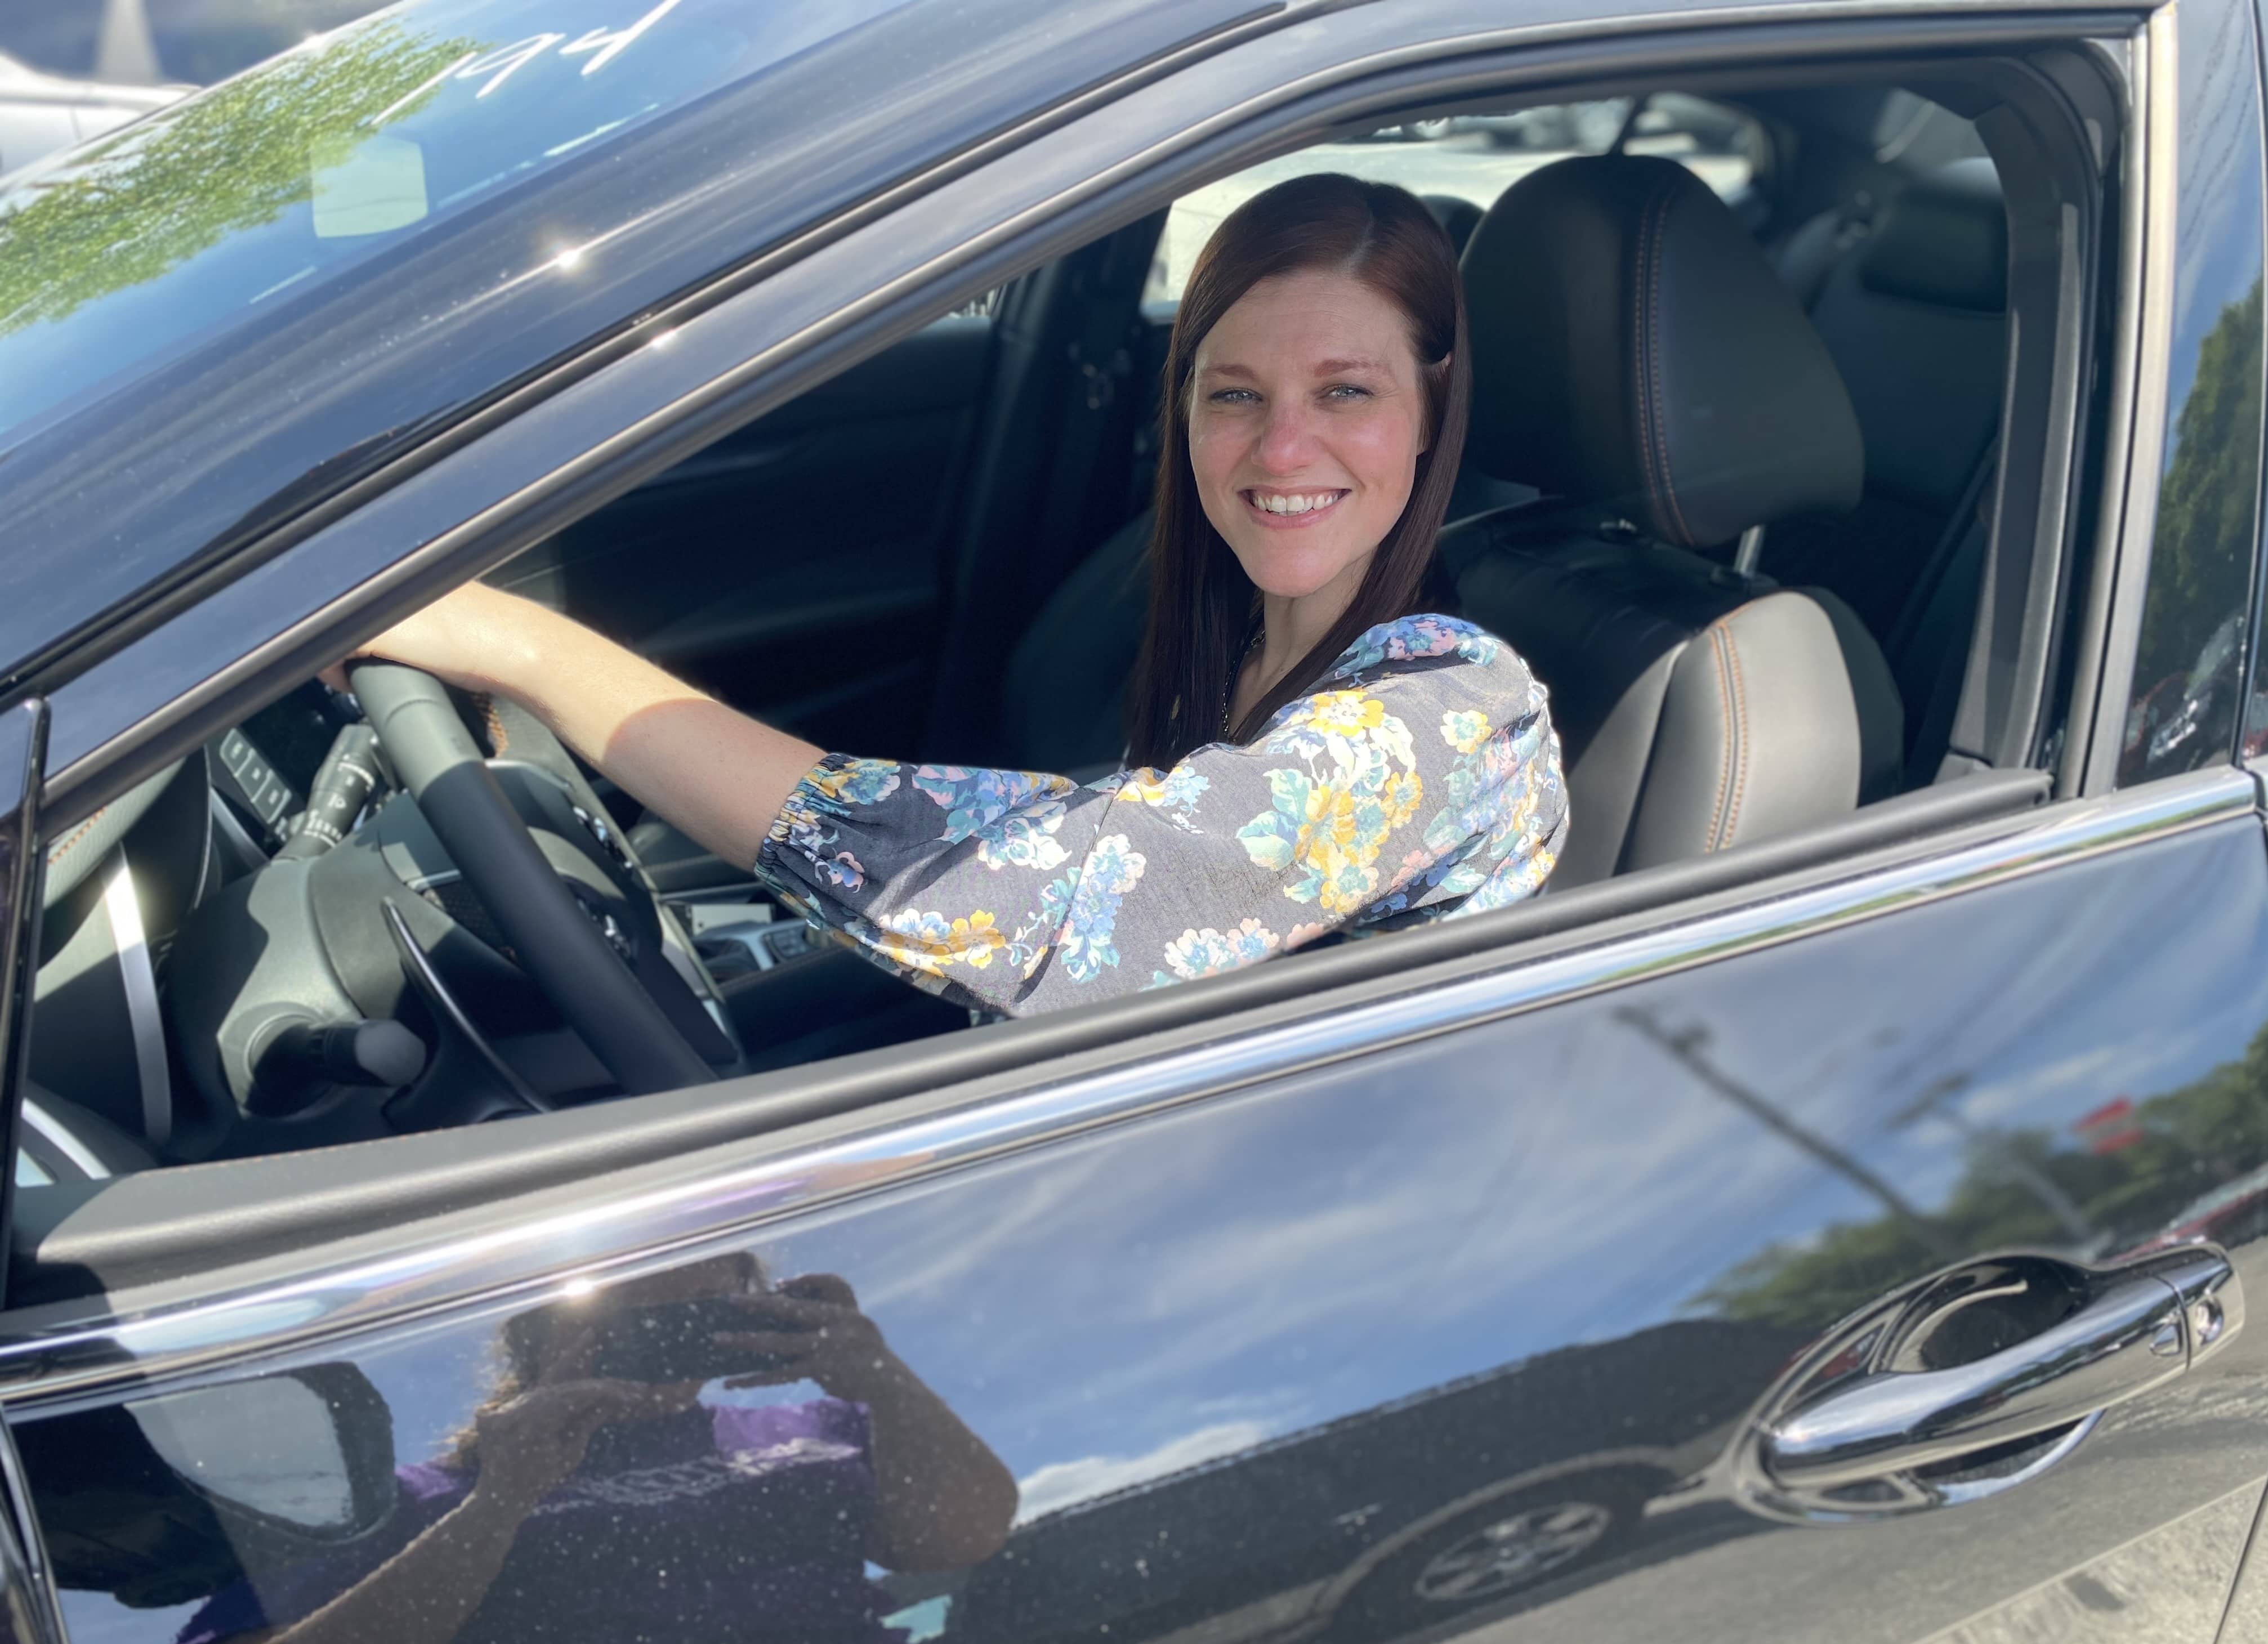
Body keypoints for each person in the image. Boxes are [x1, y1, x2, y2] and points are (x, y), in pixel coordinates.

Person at [340, 173, 1568, 1016]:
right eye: (1236, 393)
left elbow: (1060, 907)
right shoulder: (1245, 645)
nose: (1282, 449)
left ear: (1432, 413)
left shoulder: (1454, 716)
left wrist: (525, 648)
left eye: (1346, 392)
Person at [150, 1253, 1017, 1644]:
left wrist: (884, 1381)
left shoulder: (827, 1422)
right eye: (629, 1305)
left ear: (751, 1298)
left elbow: (961, 1537)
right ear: (537, 1321)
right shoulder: (405, 1503)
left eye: (697, 1309)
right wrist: (499, 1506)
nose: (663, 1330)